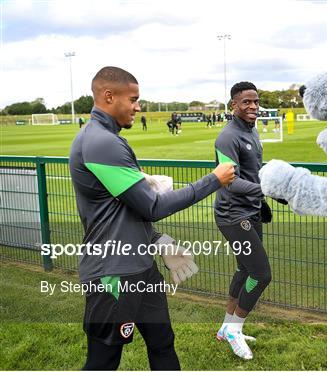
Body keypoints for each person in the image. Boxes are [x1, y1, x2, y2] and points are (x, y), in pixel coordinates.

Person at [69, 66, 235, 370]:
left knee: (162, 342)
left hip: (140, 269)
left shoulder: (106, 138)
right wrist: (213, 179)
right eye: (133, 99)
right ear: (108, 96)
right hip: (113, 274)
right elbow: (152, 207)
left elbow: (124, 209)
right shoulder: (101, 142)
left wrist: (158, 240)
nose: (138, 106)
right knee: (103, 360)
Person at [213, 81, 272, 360]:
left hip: (250, 211)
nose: (253, 107)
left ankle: (226, 328)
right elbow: (230, 182)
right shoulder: (227, 137)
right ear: (233, 105)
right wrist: (267, 191)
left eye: (256, 102)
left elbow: (253, 173)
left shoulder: (252, 131)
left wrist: (262, 202)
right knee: (260, 274)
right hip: (233, 215)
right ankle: (236, 328)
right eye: (246, 102)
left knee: (244, 271)